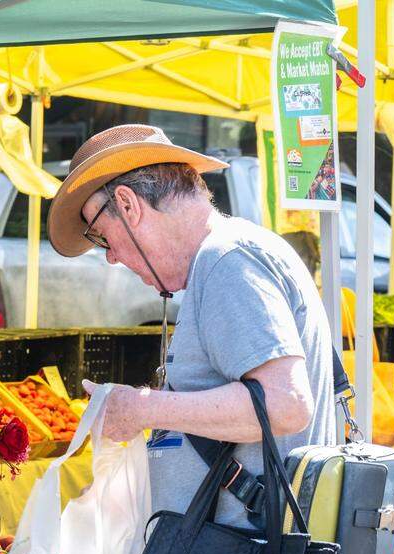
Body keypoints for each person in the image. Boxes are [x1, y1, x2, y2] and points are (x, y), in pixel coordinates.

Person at [46, 124, 334, 529]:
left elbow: (285, 404)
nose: (110, 258)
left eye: (104, 238)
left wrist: (140, 408)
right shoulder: (229, 253)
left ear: (128, 206)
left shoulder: (226, 260)